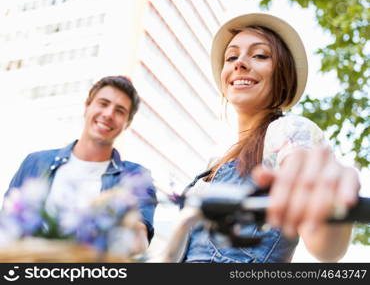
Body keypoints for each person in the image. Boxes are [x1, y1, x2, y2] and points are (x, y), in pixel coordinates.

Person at [179, 13, 360, 263]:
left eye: (260, 55)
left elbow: (326, 247)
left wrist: (330, 201)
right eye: (231, 56)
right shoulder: (214, 162)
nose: (239, 63)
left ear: (283, 77)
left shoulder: (286, 130)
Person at [5, 75, 157, 251]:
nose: (108, 114)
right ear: (87, 106)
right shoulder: (35, 163)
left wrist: (125, 214)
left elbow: (139, 245)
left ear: (127, 123)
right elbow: (7, 226)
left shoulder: (135, 177)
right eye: (103, 103)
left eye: (120, 111)